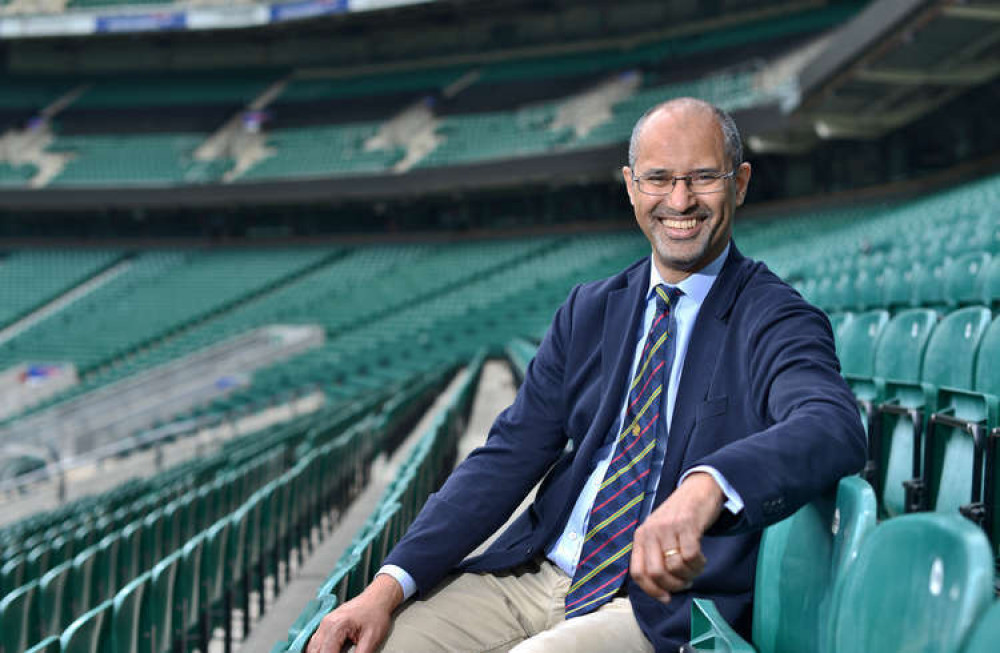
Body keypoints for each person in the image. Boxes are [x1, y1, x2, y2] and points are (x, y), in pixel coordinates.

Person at [307, 97, 867, 653]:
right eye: (659, 179)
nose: (680, 200)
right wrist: (385, 588)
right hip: (537, 574)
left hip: (654, 607)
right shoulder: (590, 310)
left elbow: (832, 424)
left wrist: (706, 486)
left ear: (740, 183)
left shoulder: (774, 314)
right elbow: (506, 456)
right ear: (630, 186)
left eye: (702, 177)